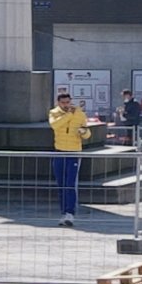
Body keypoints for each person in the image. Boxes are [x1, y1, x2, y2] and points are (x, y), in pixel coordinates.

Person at [48, 87, 94, 218]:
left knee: (70, 183)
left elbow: (87, 133)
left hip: (74, 151)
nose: (66, 105)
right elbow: (55, 125)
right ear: (58, 103)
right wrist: (68, 115)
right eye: (63, 103)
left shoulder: (79, 113)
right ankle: (63, 211)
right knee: (61, 183)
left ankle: (70, 212)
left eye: (68, 102)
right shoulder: (54, 113)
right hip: (59, 151)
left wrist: (84, 132)